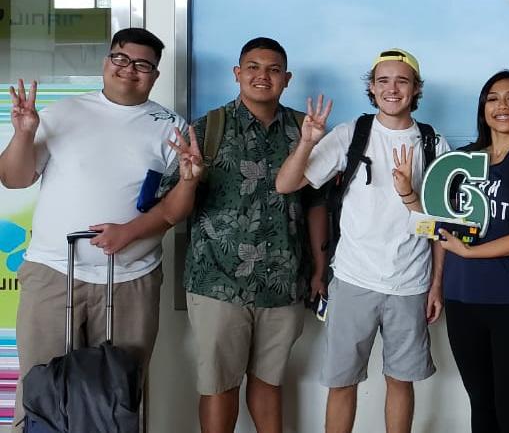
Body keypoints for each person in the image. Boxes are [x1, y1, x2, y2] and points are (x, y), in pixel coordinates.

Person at [0, 28, 185, 431]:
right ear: (106, 62)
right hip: (53, 271)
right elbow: (14, 179)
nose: (128, 70)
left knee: (120, 391)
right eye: (120, 58)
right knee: (41, 385)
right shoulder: (63, 113)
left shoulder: (170, 127)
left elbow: (175, 207)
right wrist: (25, 132)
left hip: (131, 279)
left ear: (154, 74)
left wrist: (131, 231)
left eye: (142, 65)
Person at [147, 37, 326, 433]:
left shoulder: (304, 130)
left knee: (269, 383)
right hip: (217, 282)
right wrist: (189, 181)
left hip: (283, 282)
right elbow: (174, 206)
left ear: (287, 78)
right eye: (253, 67)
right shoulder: (207, 128)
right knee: (218, 387)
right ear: (237, 73)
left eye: (273, 69)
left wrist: (319, 266)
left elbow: (317, 204)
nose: (262, 76)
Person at [275, 48, 449, 433]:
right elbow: (286, 184)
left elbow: (440, 226)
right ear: (371, 87)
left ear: (416, 89)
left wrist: (436, 284)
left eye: (402, 80)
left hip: (410, 283)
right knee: (342, 382)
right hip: (353, 279)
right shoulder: (351, 134)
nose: (392, 88)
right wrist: (306, 143)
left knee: (400, 381)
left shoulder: (434, 144)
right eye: (383, 80)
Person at [436, 70, 509, 433]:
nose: (502, 105)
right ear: (482, 109)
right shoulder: (460, 160)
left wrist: (469, 253)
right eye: (492, 98)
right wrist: (437, 283)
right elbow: (441, 229)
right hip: (461, 300)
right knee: (481, 407)